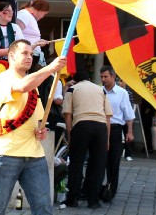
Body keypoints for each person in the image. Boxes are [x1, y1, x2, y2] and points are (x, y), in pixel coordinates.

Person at [0, 39, 67, 215]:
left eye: (31, 53)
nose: (30, 57)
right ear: (11, 56)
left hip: (35, 155)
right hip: (7, 154)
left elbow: (35, 119)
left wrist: (41, 130)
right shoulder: (4, 78)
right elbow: (22, 86)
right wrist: (50, 68)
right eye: (24, 53)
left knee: (43, 208)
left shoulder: (32, 84)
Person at [62, 70, 112, 209]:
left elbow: (68, 114)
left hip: (81, 126)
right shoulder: (100, 90)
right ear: (89, 79)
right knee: (97, 165)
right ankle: (93, 200)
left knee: (76, 164)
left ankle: (73, 198)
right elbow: (108, 116)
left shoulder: (72, 89)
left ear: (75, 80)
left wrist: (70, 134)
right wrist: (107, 139)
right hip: (101, 128)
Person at [100, 66, 134, 200]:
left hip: (115, 129)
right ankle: (98, 188)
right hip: (100, 129)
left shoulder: (122, 93)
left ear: (113, 76)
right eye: (101, 77)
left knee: (113, 161)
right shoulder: (99, 91)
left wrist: (130, 131)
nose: (103, 80)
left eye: (106, 77)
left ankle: (111, 189)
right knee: (99, 160)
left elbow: (128, 114)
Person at [16, 0, 50, 67]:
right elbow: (16, 34)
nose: (43, 16)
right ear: (41, 10)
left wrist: (38, 42)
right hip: (27, 55)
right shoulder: (24, 14)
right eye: (44, 14)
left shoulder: (29, 16)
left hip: (33, 54)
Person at [118, 77, 136, 161]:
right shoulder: (116, 91)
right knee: (116, 136)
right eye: (120, 81)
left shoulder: (128, 93)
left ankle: (128, 154)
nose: (122, 82)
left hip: (125, 118)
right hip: (117, 118)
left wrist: (129, 117)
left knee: (127, 135)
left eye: (123, 81)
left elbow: (131, 106)